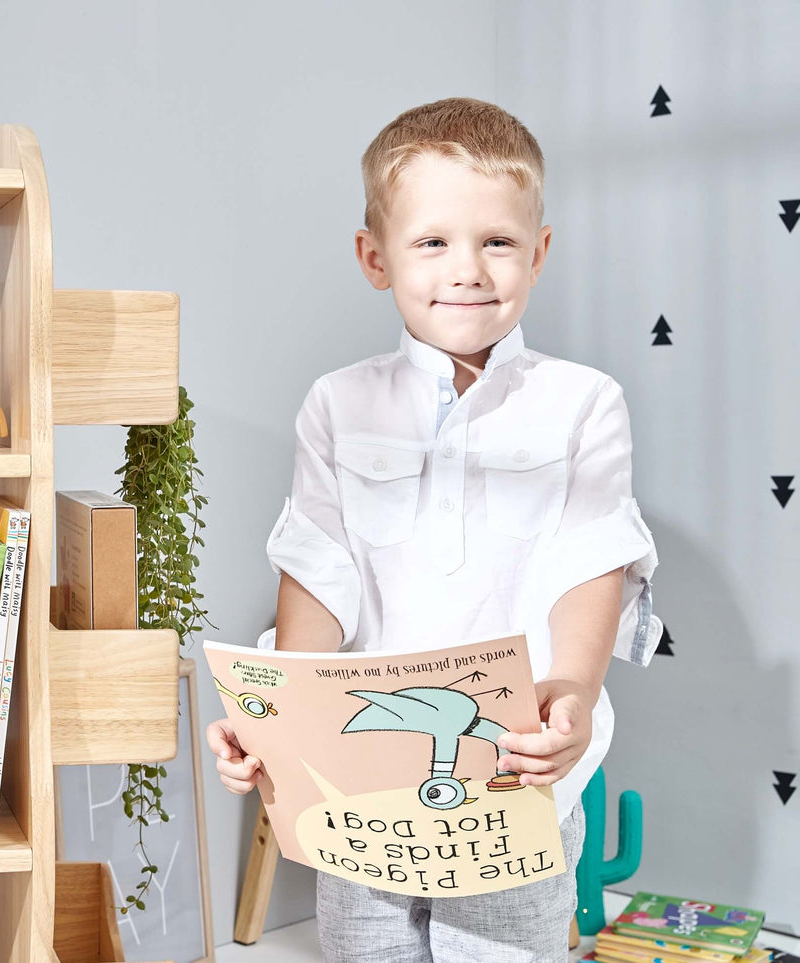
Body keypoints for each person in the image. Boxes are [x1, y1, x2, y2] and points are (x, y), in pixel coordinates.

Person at [206, 96, 663, 962]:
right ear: (373, 258)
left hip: (516, 774)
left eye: (496, 241)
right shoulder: (338, 403)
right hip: (365, 787)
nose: (469, 269)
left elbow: (593, 562)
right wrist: (277, 726)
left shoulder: (582, 402)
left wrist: (567, 690)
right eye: (431, 242)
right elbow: (316, 567)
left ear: (539, 251)